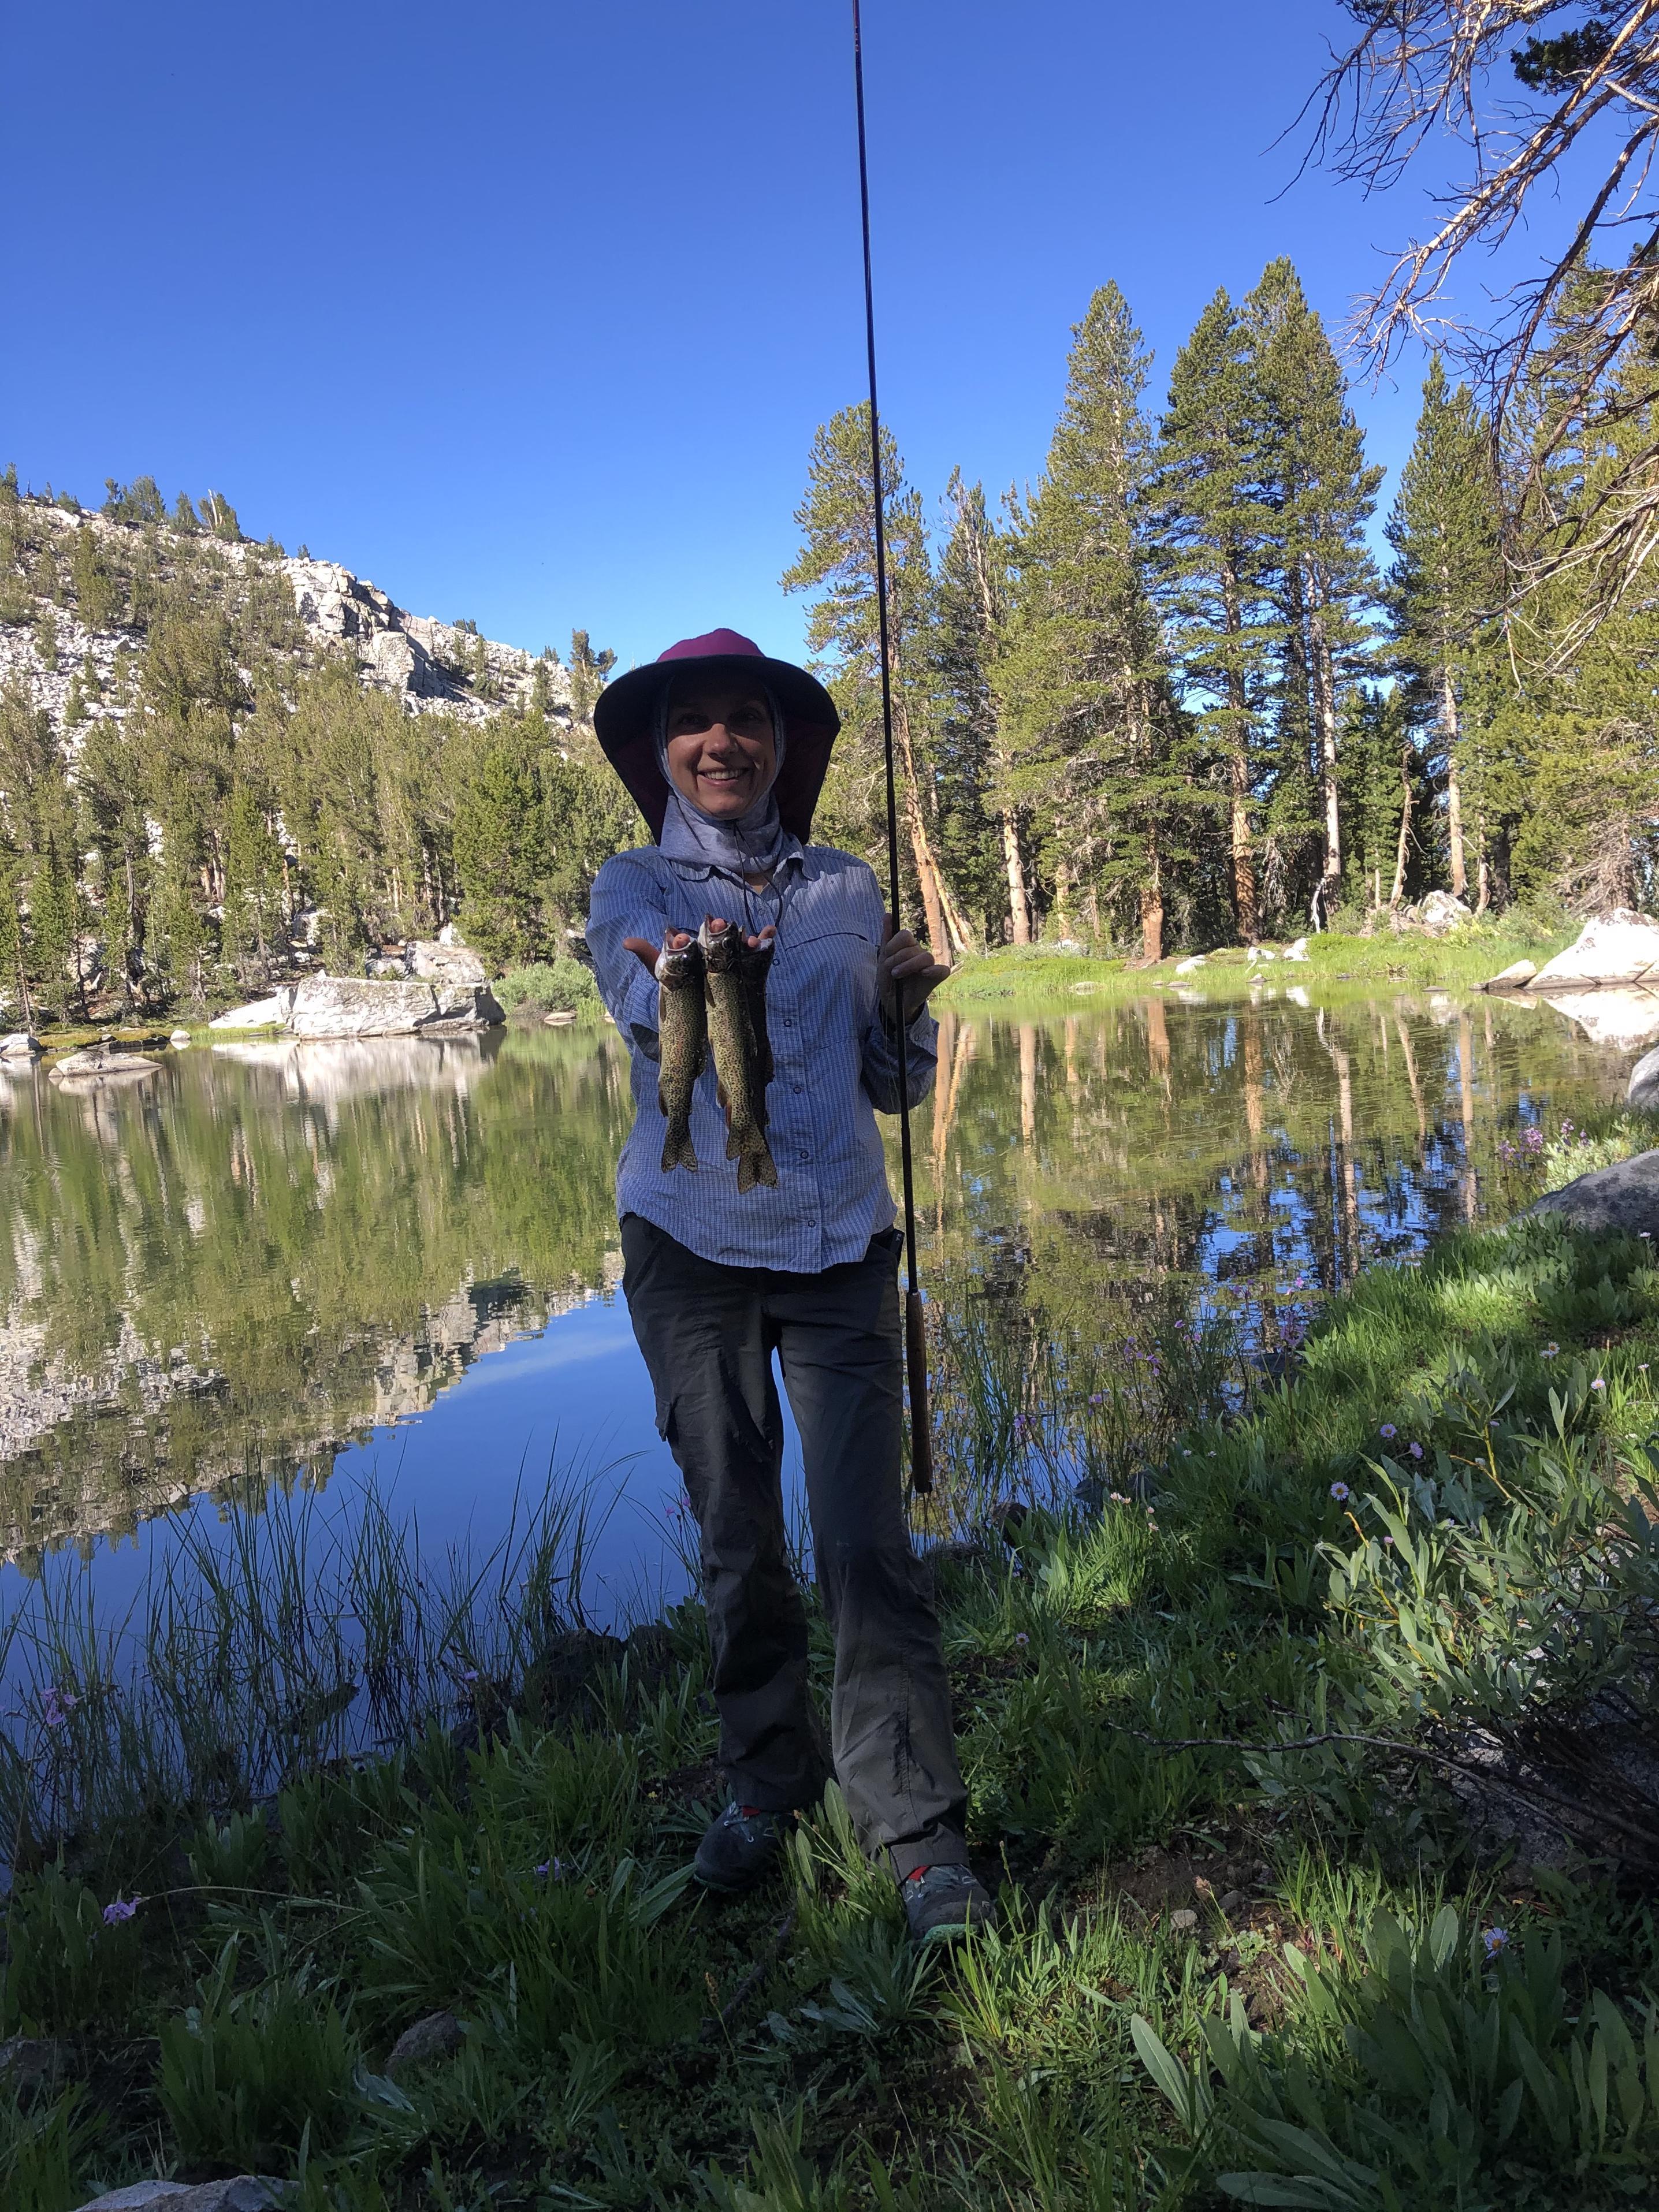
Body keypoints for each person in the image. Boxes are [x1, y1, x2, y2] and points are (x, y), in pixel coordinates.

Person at [586, 628, 992, 1941]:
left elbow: (891, 1085)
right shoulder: (630, 886)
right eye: (692, 722)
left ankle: (915, 1823)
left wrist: (908, 1005)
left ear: (779, 745)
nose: (721, 740)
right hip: (687, 1251)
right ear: (660, 753)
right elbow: (638, 1005)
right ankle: (766, 1780)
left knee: (866, 1545)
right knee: (737, 1543)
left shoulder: (844, 889)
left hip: (836, 1245)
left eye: (745, 718)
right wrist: (673, 973)